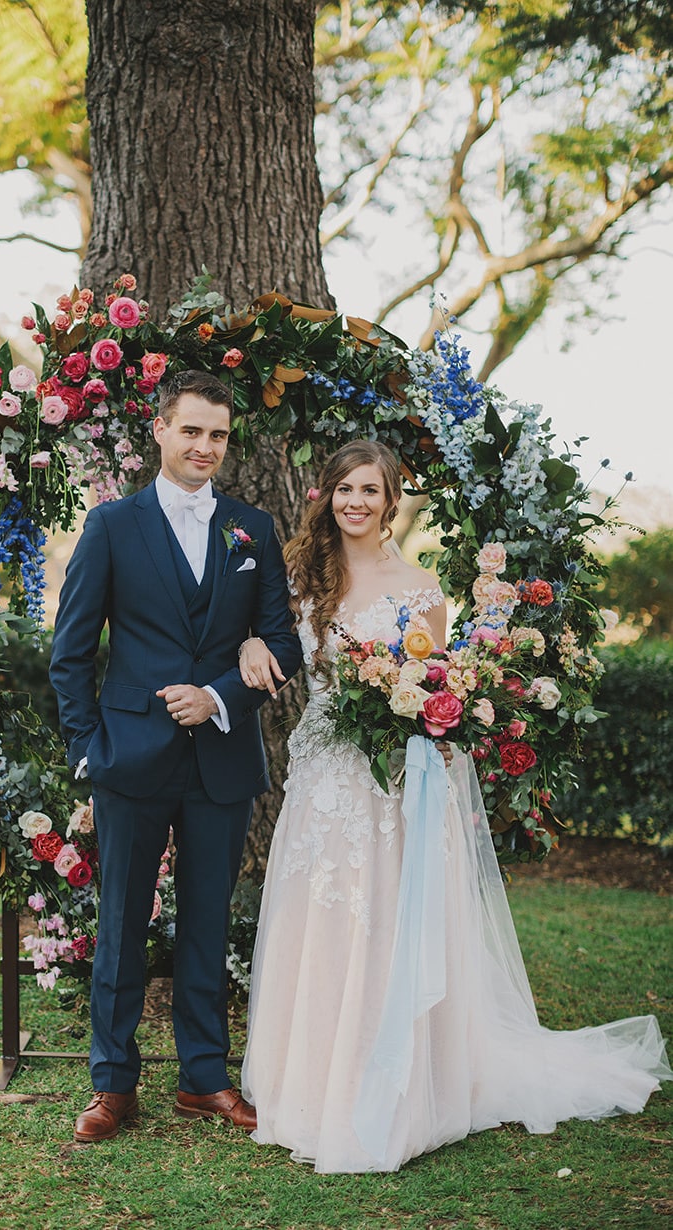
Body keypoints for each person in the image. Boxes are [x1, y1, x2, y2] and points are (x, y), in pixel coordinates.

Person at [239, 439, 671, 1174]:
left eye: (370, 490)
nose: (355, 502)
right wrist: (252, 636)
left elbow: (437, 687)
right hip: (320, 777)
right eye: (344, 488)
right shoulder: (297, 577)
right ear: (325, 495)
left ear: (392, 500)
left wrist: (412, 716)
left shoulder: (421, 589)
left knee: (386, 918)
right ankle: (306, 1083)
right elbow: (260, 635)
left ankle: (400, 1083)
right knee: (323, 915)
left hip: (391, 782)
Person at [49, 369, 302, 1143]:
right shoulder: (112, 527)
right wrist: (90, 751)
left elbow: (282, 642)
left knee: (207, 921)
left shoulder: (252, 529)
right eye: (191, 430)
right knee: (121, 924)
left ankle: (203, 1079)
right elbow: (69, 653)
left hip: (221, 759)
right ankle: (113, 1084)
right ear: (159, 431)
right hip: (130, 757)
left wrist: (221, 694)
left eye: (218, 435)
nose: (204, 447)